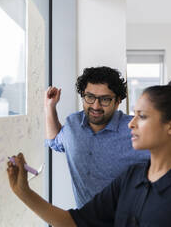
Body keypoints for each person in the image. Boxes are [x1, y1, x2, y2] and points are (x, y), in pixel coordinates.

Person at [7, 77, 171, 227]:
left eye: (142, 116)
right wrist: (23, 192)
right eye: (133, 115)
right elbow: (73, 222)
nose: (131, 124)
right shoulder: (131, 178)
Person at [45, 66, 148, 207]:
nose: (96, 106)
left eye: (105, 99)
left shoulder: (135, 130)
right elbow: (54, 141)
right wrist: (50, 107)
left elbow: (168, 162)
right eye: (90, 97)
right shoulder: (73, 124)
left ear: (117, 101)